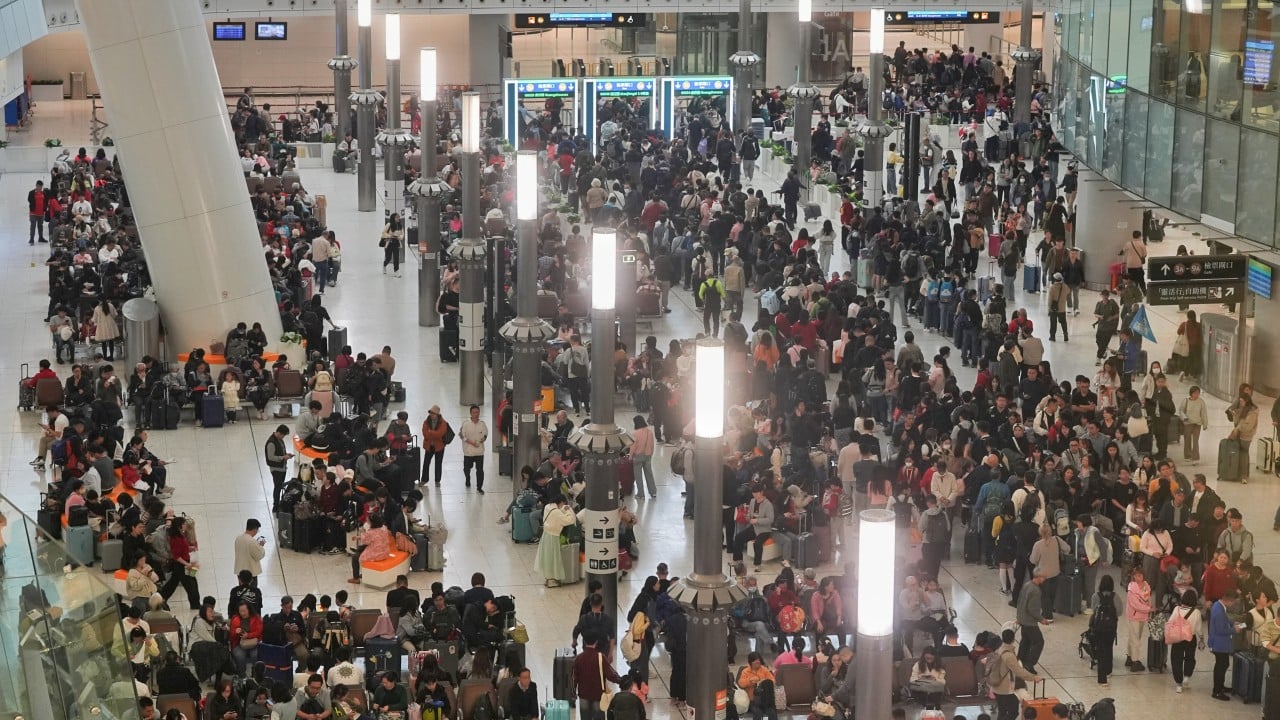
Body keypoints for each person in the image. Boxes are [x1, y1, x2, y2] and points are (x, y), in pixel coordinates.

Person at [987, 629, 1041, 720]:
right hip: (1005, 689)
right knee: (1013, 712)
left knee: (1002, 711)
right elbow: (1018, 671)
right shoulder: (1009, 655)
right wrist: (1033, 677)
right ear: (1013, 639)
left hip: (996, 686)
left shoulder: (999, 650)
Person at [573, 634, 621, 720]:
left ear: (584, 641)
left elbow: (574, 678)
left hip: (583, 694)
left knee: (585, 717)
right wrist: (620, 680)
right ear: (596, 642)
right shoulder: (600, 657)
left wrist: (573, 692)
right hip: (598, 695)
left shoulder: (579, 658)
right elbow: (610, 674)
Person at [1208, 588, 1243, 700]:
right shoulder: (1219, 611)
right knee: (1221, 666)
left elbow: (1224, 621)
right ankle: (1217, 691)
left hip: (1220, 643)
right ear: (1230, 600)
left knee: (1223, 664)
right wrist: (1234, 630)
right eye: (1234, 602)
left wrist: (1232, 623)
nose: (1233, 605)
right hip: (1219, 644)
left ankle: (1220, 687)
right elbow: (1220, 630)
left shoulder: (1218, 606)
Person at [535, 495, 577, 587]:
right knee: (553, 559)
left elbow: (556, 515)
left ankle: (548, 578)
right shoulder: (557, 512)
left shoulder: (547, 507)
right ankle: (552, 580)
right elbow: (570, 520)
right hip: (553, 537)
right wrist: (569, 509)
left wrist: (563, 510)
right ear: (561, 502)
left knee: (547, 558)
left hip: (546, 535)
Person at [1168, 589, 1205, 693]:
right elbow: (1199, 628)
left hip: (1178, 638)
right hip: (1190, 638)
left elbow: (1170, 622)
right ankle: (1187, 677)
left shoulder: (1177, 609)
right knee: (1190, 658)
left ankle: (1179, 685)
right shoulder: (1196, 612)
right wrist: (1201, 638)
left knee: (1176, 659)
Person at [731, 485, 775, 569]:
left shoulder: (768, 504)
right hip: (754, 527)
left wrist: (757, 520)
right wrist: (747, 517)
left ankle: (757, 564)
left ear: (761, 492)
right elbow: (750, 515)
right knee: (738, 537)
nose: (755, 495)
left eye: (756, 493)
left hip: (764, 530)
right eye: (753, 493)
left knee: (757, 543)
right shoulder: (752, 501)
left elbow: (770, 519)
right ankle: (738, 560)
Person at [1089, 575, 1120, 686]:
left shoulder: (1095, 596)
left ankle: (1102, 679)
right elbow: (1119, 611)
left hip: (1098, 628)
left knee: (1101, 651)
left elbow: (1093, 609)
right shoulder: (1115, 597)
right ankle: (1108, 671)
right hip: (1111, 628)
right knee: (1109, 648)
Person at [1016, 572, 1049, 672]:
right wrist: (1041, 619)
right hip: (1030, 622)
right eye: (1044, 577)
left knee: (1025, 640)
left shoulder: (1026, 585)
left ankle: (1020, 660)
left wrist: (1019, 617)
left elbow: (1020, 601)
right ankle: (1029, 664)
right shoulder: (1035, 590)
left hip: (1023, 619)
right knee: (1039, 641)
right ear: (1039, 577)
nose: (1045, 579)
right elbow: (1033, 609)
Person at [1124, 567, 1153, 671]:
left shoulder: (1146, 586)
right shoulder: (1132, 588)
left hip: (1142, 616)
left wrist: (1149, 608)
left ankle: (1129, 656)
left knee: (1135, 637)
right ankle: (1135, 661)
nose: (1138, 577)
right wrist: (1148, 609)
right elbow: (1135, 604)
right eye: (1136, 575)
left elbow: (1148, 598)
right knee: (1135, 638)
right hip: (1134, 616)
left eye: (1140, 575)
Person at [736, 652, 778, 720]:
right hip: (752, 700)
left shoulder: (764, 669)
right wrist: (750, 681)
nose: (757, 664)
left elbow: (773, 681)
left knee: (772, 711)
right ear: (750, 662)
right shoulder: (745, 671)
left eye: (759, 662)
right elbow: (740, 683)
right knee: (757, 712)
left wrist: (763, 681)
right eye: (755, 663)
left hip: (765, 699)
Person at [420, 405, 452, 486]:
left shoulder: (443, 422)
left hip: (439, 446)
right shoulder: (426, 421)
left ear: (437, 414)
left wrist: (430, 432)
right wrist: (432, 433)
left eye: (433, 413)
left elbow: (440, 434)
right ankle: (424, 479)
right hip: (429, 446)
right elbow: (425, 433)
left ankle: (437, 480)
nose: (431, 415)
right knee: (426, 463)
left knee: (438, 463)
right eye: (431, 413)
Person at [264, 425, 293, 512]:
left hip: (282, 467)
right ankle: (275, 506)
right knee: (277, 487)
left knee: (280, 486)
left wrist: (287, 455)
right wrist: (283, 457)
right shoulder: (271, 443)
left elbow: (280, 452)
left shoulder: (279, 440)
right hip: (276, 469)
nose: (283, 437)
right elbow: (271, 457)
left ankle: (279, 503)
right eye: (283, 435)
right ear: (279, 433)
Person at [460, 404, 488, 493]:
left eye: (477, 412)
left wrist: (483, 439)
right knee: (466, 468)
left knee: (480, 470)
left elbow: (485, 434)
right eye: (474, 412)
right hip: (468, 452)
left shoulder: (482, 424)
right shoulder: (466, 424)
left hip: (479, 452)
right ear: (470, 413)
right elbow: (462, 436)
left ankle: (479, 487)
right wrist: (471, 442)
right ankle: (467, 478)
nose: (476, 414)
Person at [631, 416, 657, 499]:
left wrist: (630, 456)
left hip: (638, 456)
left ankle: (641, 494)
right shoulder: (649, 432)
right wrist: (651, 454)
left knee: (638, 476)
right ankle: (653, 492)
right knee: (649, 474)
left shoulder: (635, 433)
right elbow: (652, 445)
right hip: (648, 455)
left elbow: (633, 447)